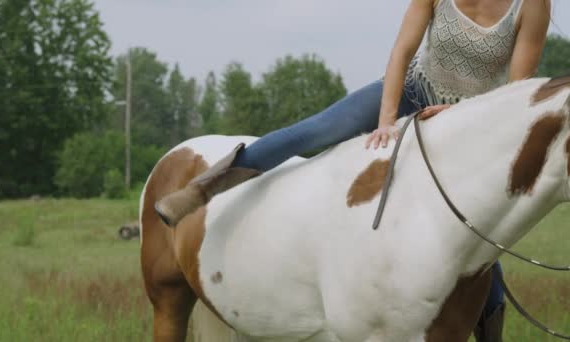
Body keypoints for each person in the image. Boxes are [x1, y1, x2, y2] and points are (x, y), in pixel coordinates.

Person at [155, 0, 551, 341]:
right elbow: (401, 52)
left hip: (469, 124)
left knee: (476, 235)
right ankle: (203, 189)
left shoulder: (532, 6)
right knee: (315, 131)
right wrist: (385, 120)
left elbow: (511, 98)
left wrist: (459, 114)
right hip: (412, 90)